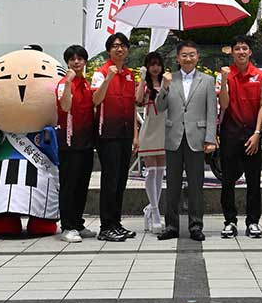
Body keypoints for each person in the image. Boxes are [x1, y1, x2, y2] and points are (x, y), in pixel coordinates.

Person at [155, 41, 218, 240]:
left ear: (198, 57)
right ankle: (171, 226)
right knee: (172, 185)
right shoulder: (169, 79)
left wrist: (210, 139)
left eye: (192, 54)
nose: (188, 58)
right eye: (184, 55)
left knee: (196, 185)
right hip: (174, 137)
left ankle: (196, 226)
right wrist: (163, 87)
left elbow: (211, 112)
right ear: (177, 58)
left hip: (197, 138)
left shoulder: (207, 80)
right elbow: (160, 107)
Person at [217, 36, 262, 239]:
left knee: (253, 181)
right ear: (232, 52)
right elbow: (224, 104)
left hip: (252, 134)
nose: (241, 52)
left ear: (250, 52)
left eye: (245, 48)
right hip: (230, 133)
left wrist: (257, 133)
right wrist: (226, 81)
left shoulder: (260, 75)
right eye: (237, 48)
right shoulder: (224, 76)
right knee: (228, 180)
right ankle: (229, 221)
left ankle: (253, 222)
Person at [93, 32, 138, 242]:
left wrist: (136, 136)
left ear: (127, 50)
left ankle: (116, 223)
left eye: (122, 46)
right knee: (109, 180)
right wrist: (109, 77)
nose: (119, 49)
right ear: (109, 50)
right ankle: (105, 227)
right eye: (115, 46)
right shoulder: (100, 73)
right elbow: (95, 100)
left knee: (121, 181)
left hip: (126, 134)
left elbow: (132, 107)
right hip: (107, 134)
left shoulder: (130, 75)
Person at [56, 45, 96, 243]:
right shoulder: (64, 83)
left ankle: (78, 223)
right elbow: (64, 106)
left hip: (86, 143)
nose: (76, 62)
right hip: (68, 143)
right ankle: (67, 226)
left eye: (80, 58)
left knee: (82, 185)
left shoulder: (86, 83)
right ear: (67, 62)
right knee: (69, 186)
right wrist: (69, 81)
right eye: (72, 59)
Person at [135, 52, 168, 233]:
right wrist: (141, 79)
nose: (155, 67)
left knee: (160, 172)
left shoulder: (166, 82)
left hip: (164, 128)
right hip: (149, 129)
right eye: (151, 64)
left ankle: (151, 208)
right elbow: (138, 100)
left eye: (157, 64)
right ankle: (154, 211)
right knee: (151, 171)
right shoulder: (146, 85)